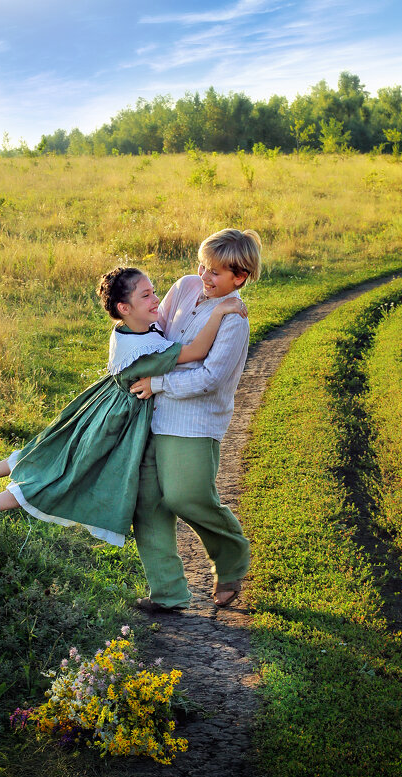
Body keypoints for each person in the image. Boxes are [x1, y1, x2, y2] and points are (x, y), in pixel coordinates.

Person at [0, 266, 246, 541]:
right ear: (125, 308)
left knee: (48, 452)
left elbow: (161, 330)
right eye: (147, 295)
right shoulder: (147, 351)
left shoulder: (130, 329)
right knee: (60, 475)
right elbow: (195, 351)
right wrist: (220, 311)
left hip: (99, 402)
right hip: (114, 419)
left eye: (154, 291)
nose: (157, 300)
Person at [130, 228, 262, 611]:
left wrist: (157, 383)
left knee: (186, 497)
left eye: (216, 273)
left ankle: (232, 554)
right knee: (149, 505)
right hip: (149, 415)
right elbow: (159, 336)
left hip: (194, 421)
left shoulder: (235, 319)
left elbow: (210, 379)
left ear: (240, 277)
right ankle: (168, 594)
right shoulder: (186, 287)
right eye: (203, 266)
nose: (204, 277)